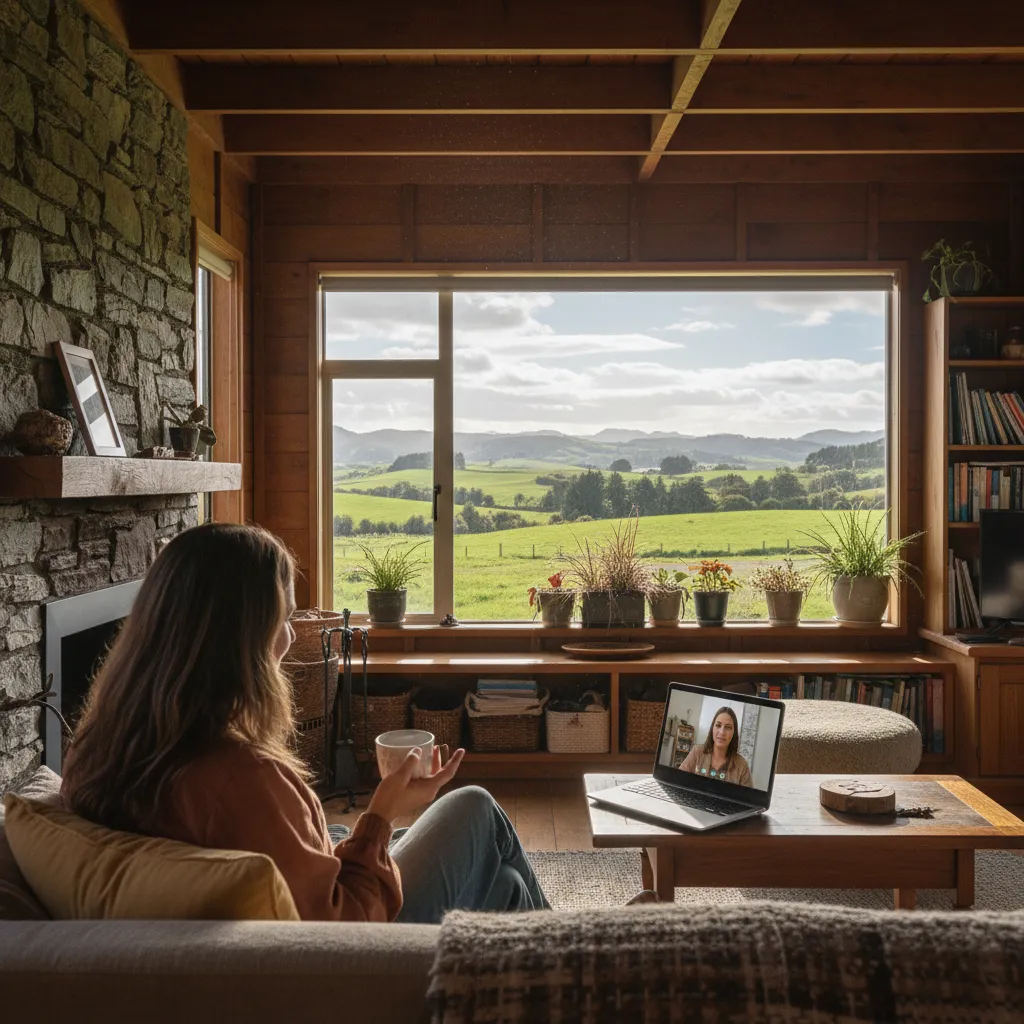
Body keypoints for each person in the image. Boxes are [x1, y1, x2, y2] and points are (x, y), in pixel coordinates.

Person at [60, 522, 550, 924]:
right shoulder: (243, 778)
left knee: (503, 886)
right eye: (283, 619)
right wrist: (382, 815)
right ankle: (592, 958)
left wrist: (348, 836)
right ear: (242, 639)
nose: (291, 638)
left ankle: (534, 965)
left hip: (259, 943)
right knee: (477, 809)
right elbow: (342, 927)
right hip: (357, 960)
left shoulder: (101, 745)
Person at [677, 706, 753, 787]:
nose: (722, 732)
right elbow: (679, 780)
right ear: (712, 728)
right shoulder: (697, 752)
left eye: (728, 727)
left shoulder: (742, 766)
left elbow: (748, 798)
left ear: (734, 733)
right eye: (718, 725)